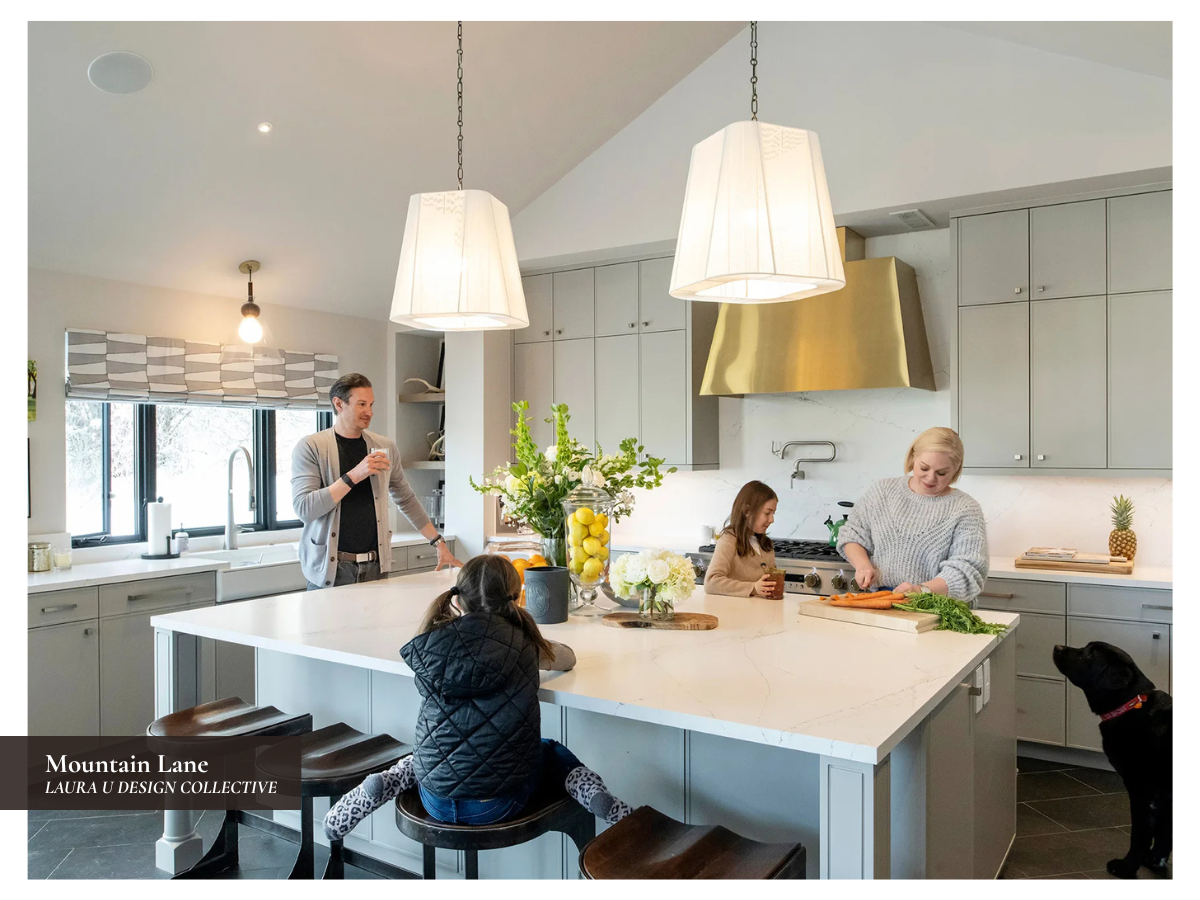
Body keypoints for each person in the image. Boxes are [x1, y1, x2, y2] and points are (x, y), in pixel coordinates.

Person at [323, 555, 632, 838]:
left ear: (458, 599)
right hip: (500, 803)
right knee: (548, 751)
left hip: (435, 801)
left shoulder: (431, 644)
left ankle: (384, 783)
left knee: (424, 759)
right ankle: (594, 795)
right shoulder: (523, 643)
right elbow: (567, 658)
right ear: (515, 596)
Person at [292, 373, 462, 590]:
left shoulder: (384, 446)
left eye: (371, 404)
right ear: (339, 404)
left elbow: (406, 498)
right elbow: (304, 508)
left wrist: (438, 542)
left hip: (376, 567)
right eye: (361, 404)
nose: (369, 412)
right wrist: (354, 475)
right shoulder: (311, 447)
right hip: (332, 570)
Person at [837, 426, 988, 602]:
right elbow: (853, 535)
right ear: (912, 459)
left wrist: (921, 590)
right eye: (924, 468)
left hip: (939, 606)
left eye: (941, 473)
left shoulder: (965, 508)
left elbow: (967, 570)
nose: (931, 478)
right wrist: (863, 565)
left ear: (955, 470)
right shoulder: (883, 491)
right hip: (880, 600)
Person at [703, 480, 781, 598]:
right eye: (767, 513)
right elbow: (711, 582)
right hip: (737, 613)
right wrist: (753, 588)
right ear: (747, 511)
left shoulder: (766, 544)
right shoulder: (729, 541)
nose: (771, 520)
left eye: (773, 513)